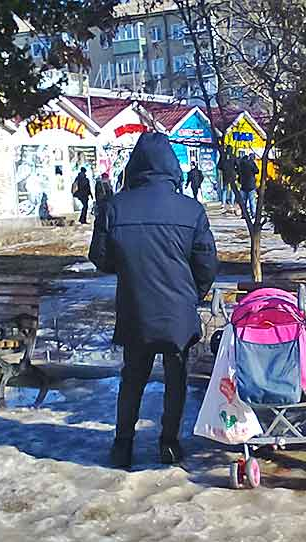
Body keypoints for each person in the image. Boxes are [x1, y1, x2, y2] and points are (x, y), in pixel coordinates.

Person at [102, 133, 218, 469]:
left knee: (132, 378)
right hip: (177, 312)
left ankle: (122, 445)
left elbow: (101, 258)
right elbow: (207, 263)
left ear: (136, 165)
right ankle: (169, 443)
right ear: (172, 165)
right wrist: (191, 295)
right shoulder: (191, 209)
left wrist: (130, 269)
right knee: (176, 378)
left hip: (135, 309)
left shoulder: (115, 206)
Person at [237, 152, 259, 217]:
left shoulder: (241, 164)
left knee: (244, 202)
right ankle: (253, 214)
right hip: (251, 185)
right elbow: (257, 171)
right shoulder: (251, 163)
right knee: (252, 201)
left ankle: (244, 214)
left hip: (243, 185)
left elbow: (238, 172)